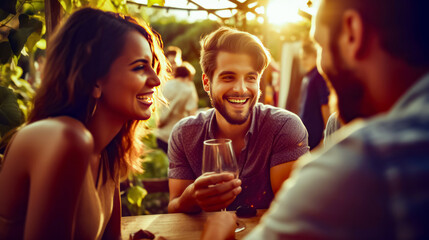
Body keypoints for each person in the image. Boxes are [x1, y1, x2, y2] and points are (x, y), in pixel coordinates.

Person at [204, 0, 429, 239]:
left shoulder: (365, 160)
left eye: (320, 45)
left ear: (352, 32)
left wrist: (217, 233)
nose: (319, 67)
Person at [0, 8, 168, 239]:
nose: (156, 79)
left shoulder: (108, 151)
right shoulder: (66, 138)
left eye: (152, 65)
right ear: (93, 80)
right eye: (139, 67)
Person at [167, 27, 309, 213]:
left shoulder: (283, 127)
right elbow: (174, 207)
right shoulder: (185, 134)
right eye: (228, 77)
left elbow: (294, 211)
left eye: (251, 78)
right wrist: (190, 197)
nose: (241, 89)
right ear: (207, 82)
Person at [156, 62, 198, 153]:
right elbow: (192, 115)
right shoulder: (188, 90)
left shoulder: (165, 85)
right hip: (176, 138)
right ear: (189, 76)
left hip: (160, 134)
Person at [298, 39, 330, 150]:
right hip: (305, 130)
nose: (303, 62)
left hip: (316, 133)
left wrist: (326, 132)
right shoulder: (307, 76)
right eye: (301, 59)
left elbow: (324, 103)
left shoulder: (318, 76)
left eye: (305, 58)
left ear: (314, 56)